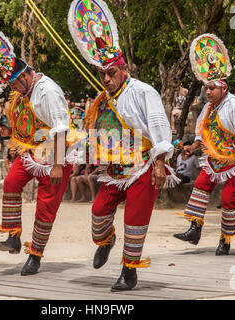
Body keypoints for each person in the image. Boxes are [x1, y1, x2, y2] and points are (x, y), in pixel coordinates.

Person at [83, 35, 178, 291]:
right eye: (101, 74)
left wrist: (160, 163)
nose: (106, 79)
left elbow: (159, 127)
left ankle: (129, 272)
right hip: (115, 169)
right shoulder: (103, 98)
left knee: (135, 220)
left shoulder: (144, 91)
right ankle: (106, 241)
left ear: (124, 70)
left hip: (145, 164)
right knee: (98, 213)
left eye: (111, 73)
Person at [0, 56, 75, 276]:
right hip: (32, 150)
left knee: (45, 208)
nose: (14, 89)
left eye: (15, 83)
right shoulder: (23, 92)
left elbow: (61, 128)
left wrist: (57, 165)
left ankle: (35, 255)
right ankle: (14, 236)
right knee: (11, 182)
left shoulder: (48, 92)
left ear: (26, 75)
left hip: (56, 153)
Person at [173, 56, 235, 256]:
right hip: (216, 157)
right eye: (207, 88)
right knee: (200, 186)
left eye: (212, 88)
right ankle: (194, 230)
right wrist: (192, 147)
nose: (208, 91)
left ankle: (225, 240)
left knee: (229, 199)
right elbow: (203, 135)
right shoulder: (208, 107)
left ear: (224, 88)